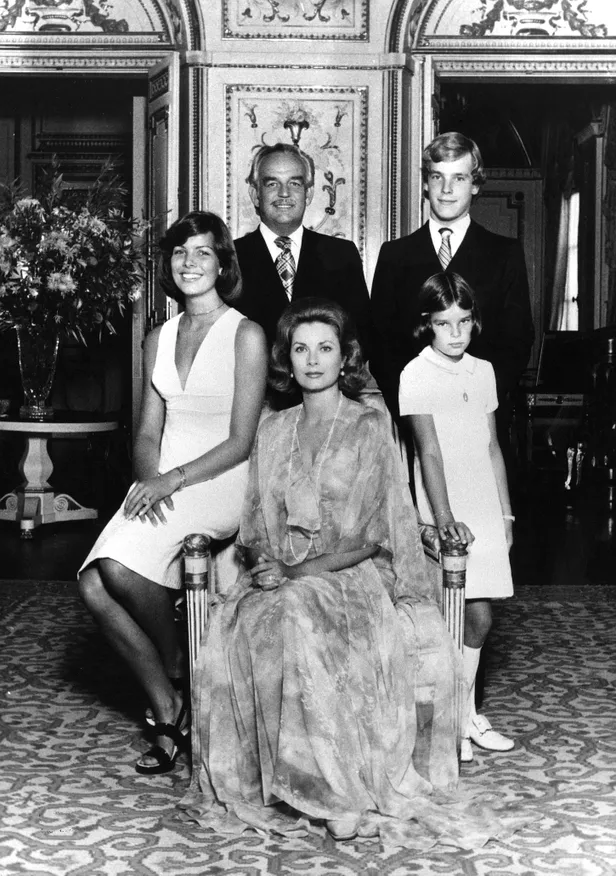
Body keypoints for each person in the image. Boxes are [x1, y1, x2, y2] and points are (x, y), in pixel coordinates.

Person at [180, 298, 519, 850]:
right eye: (301, 349)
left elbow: (368, 536)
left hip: (353, 576)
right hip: (283, 576)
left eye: (326, 348)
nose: (313, 360)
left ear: (345, 358)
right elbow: (256, 526)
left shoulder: (367, 424)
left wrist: (296, 571)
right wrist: (269, 565)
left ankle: (337, 791)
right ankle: (298, 779)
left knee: (295, 614)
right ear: (287, 361)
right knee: (262, 616)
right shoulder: (272, 428)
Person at [77, 210, 268, 775]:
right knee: (92, 583)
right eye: (181, 253)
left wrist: (172, 480)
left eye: (203, 252)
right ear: (170, 264)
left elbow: (241, 441)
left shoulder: (246, 334)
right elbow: (146, 432)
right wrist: (147, 481)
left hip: (220, 479)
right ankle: (171, 702)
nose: (190, 263)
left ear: (222, 263)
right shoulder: (156, 337)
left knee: (117, 571)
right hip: (162, 479)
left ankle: (178, 665)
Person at [398, 272, 515, 764]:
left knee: (480, 616)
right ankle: (450, 721)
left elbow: (491, 447)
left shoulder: (482, 371)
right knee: (456, 616)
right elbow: (429, 453)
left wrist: (506, 516)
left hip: (485, 506)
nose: (456, 333)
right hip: (445, 507)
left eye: (464, 321)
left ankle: (462, 715)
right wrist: (443, 518)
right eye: (444, 323)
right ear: (428, 324)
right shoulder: (416, 374)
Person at [371, 131, 534, 422]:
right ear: (425, 182)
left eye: (458, 178)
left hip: (482, 420)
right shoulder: (395, 255)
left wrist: (477, 403)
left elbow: (517, 342)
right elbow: (381, 345)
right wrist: (412, 411)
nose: (446, 189)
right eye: (437, 177)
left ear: (475, 185)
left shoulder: (504, 253)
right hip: (415, 422)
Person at [234, 143, 372, 363]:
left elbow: (360, 336)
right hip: (254, 394)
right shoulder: (231, 258)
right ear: (255, 194)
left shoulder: (341, 255)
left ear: (308, 194)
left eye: (295, 183)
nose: (284, 193)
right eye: (271, 183)